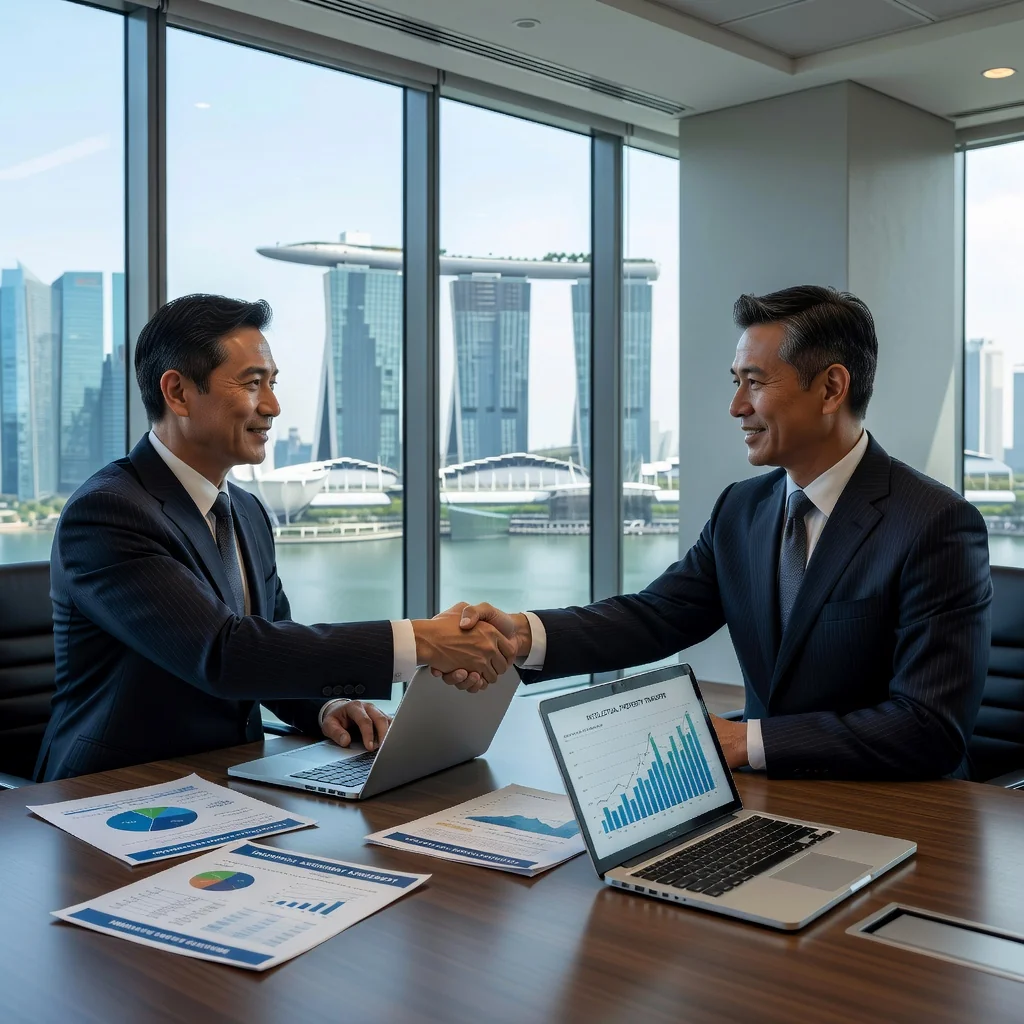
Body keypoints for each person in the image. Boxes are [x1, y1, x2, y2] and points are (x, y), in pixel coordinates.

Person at [443, 285, 992, 780]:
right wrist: (521, 633)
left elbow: (929, 728)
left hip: (905, 817)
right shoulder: (742, 509)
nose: (736, 407)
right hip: (769, 803)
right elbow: (653, 616)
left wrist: (744, 740)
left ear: (831, 388)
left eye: (754, 383)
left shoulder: (935, 525)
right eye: (736, 382)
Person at [36, 294, 515, 780]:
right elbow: (226, 654)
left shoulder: (245, 510)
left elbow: (272, 646)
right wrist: (421, 641)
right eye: (252, 384)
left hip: (228, 781)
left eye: (273, 383)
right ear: (178, 393)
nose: (273, 406)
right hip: (110, 795)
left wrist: (326, 708)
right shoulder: (107, 513)